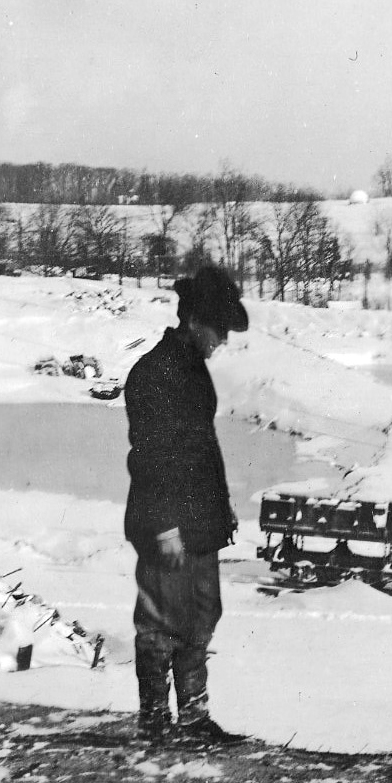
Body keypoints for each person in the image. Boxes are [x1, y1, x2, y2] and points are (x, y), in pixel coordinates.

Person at [124, 263, 249, 747]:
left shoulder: (194, 371)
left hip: (200, 521)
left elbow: (201, 447)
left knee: (201, 616)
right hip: (167, 523)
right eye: (219, 329)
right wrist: (164, 527)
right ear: (195, 322)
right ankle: (155, 722)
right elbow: (150, 458)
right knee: (161, 621)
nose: (223, 340)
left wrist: (221, 505)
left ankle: (194, 719)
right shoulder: (153, 372)